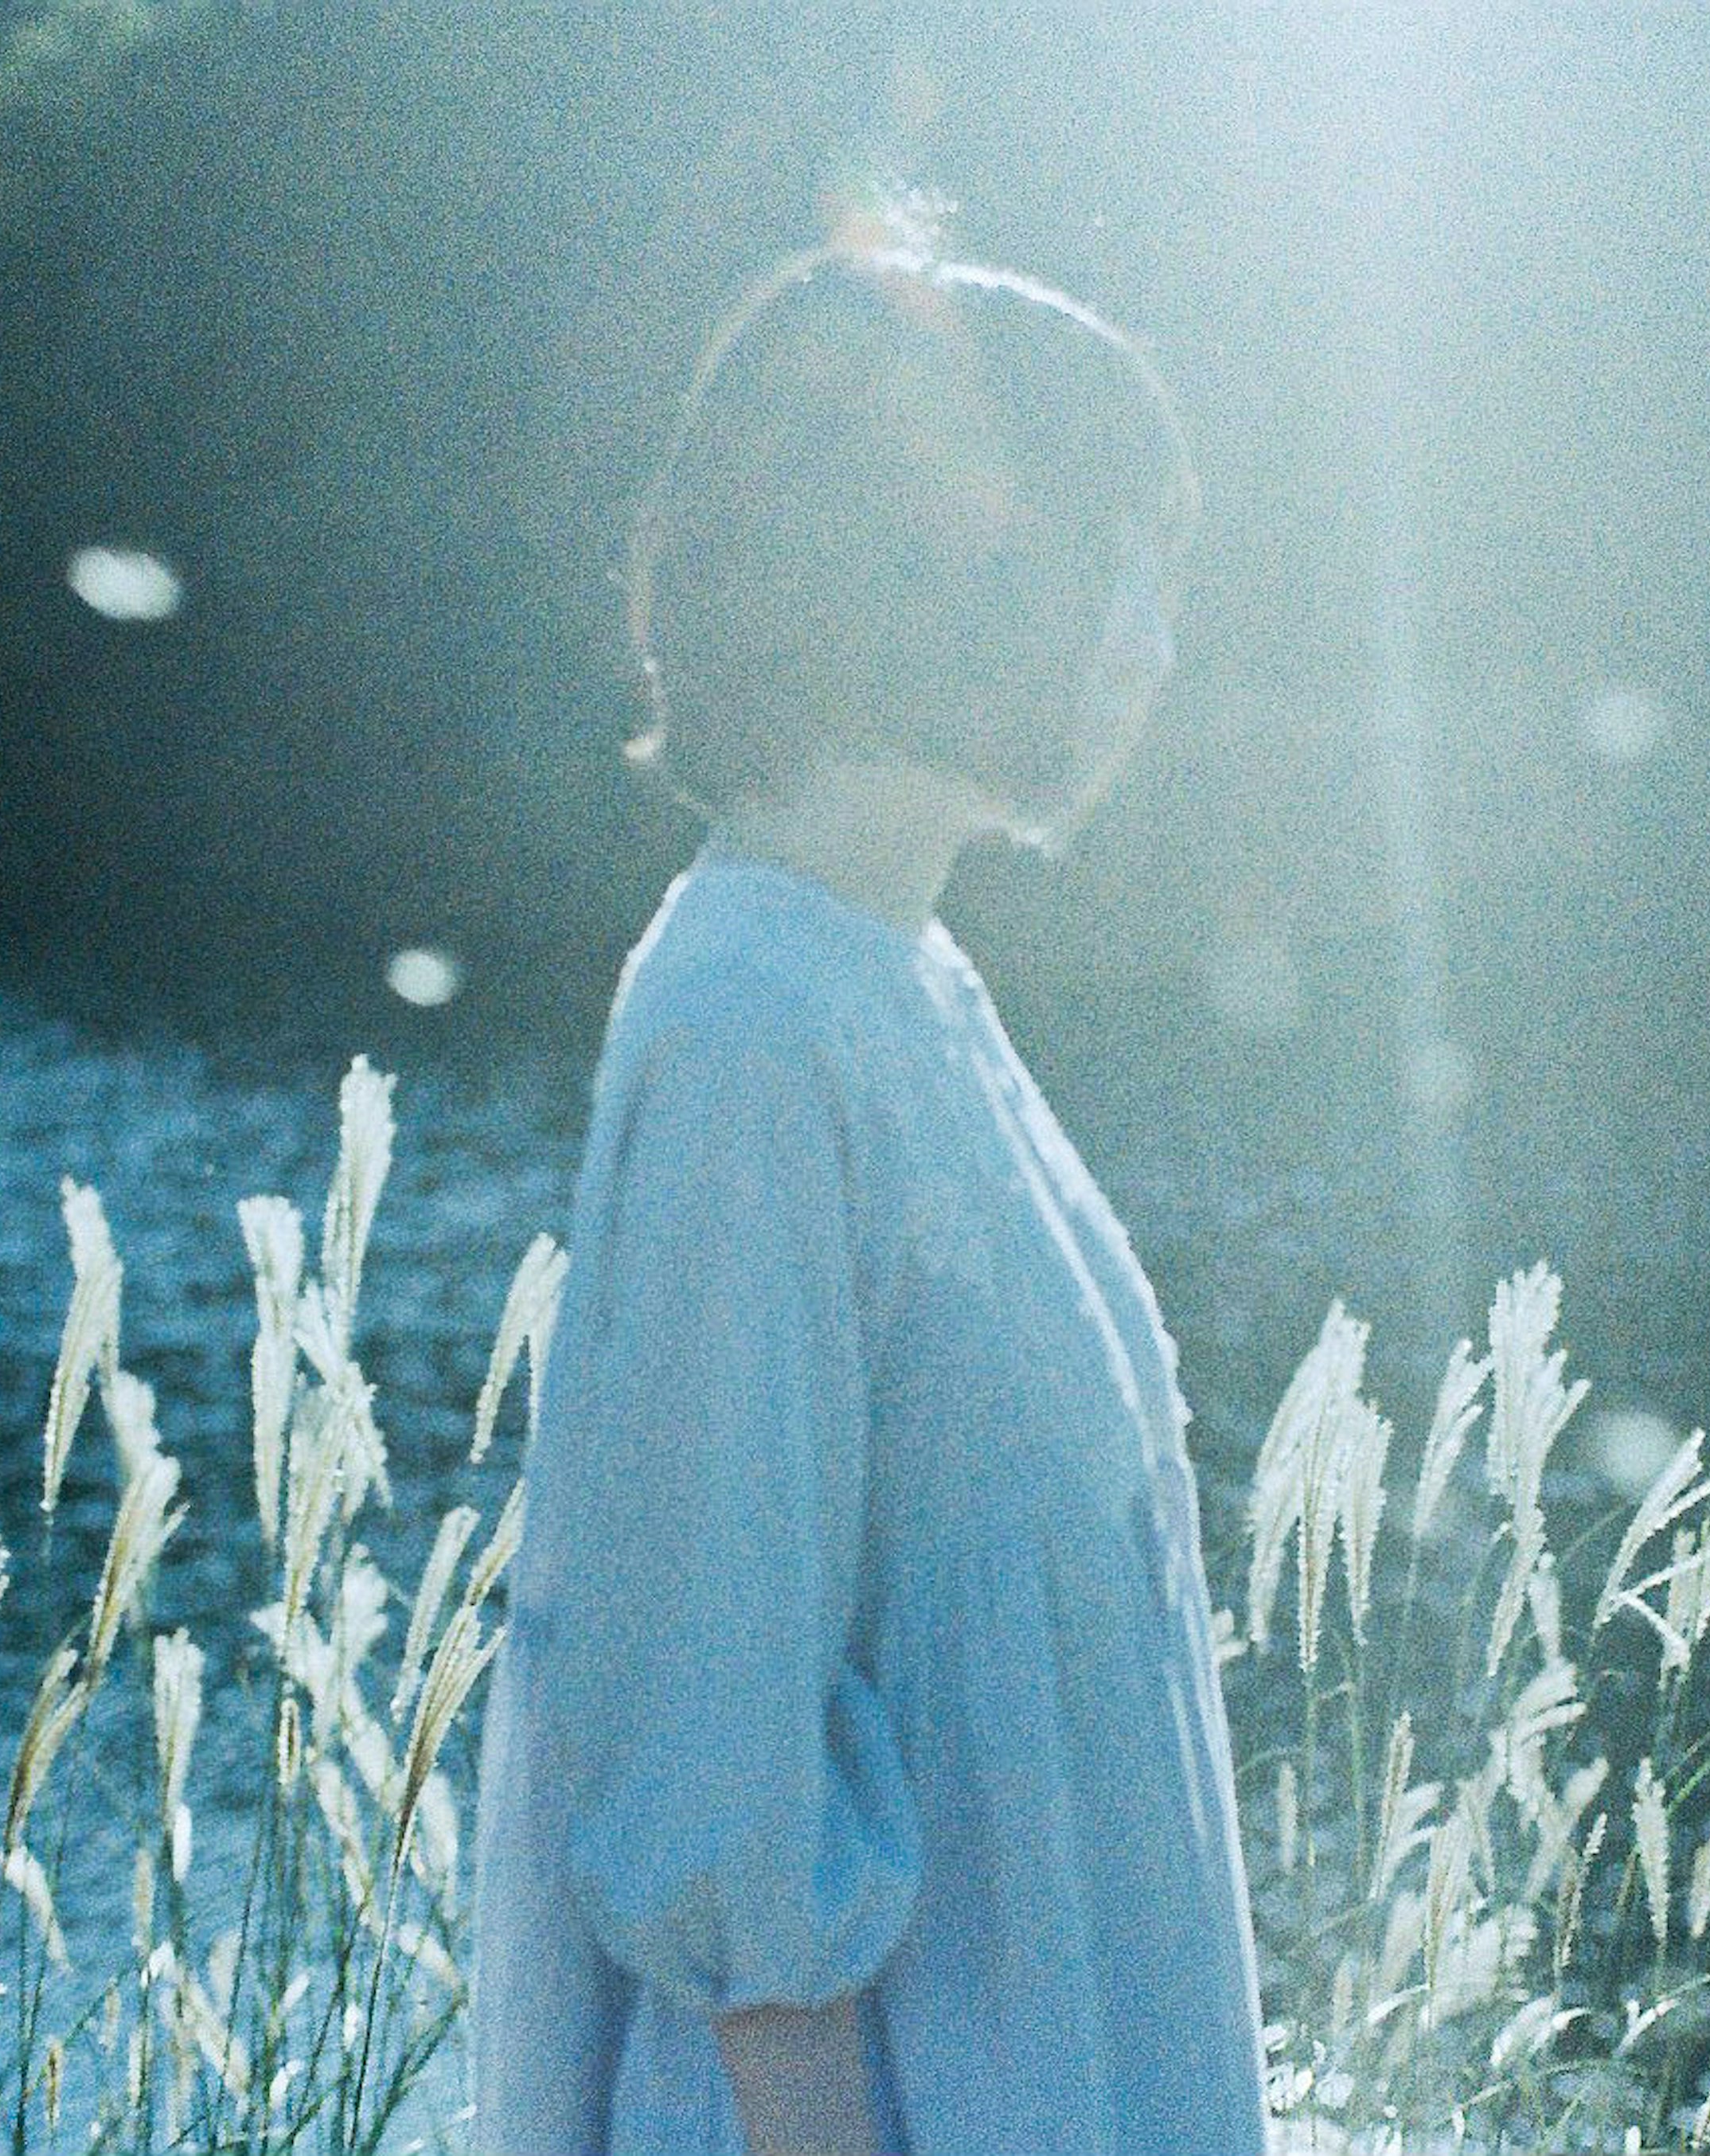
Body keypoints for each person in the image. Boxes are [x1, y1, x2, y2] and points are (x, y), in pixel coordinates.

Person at [470, 203, 1268, 2155]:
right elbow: (711, 1728)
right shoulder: (754, 1025)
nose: (1156, 646)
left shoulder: (898, 976)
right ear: (946, 573)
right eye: (1115, 568)